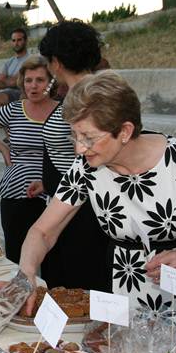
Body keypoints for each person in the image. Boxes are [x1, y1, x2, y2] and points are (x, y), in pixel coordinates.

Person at [0, 71, 176, 343]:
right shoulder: (86, 168)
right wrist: (27, 274)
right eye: (74, 136)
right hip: (125, 292)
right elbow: (43, 232)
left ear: (125, 131)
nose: (79, 148)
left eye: (88, 137)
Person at [31, 20, 111, 291]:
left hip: (81, 211)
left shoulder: (88, 97)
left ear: (56, 62)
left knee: (77, 287)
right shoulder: (83, 93)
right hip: (65, 202)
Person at [0, 56, 59, 264]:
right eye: (28, 80)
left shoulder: (63, 112)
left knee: (52, 262)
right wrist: (3, 148)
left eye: (40, 80)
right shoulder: (14, 109)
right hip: (16, 194)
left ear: (51, 82)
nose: (33, 86)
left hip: (53, 195)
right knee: (16, 259)